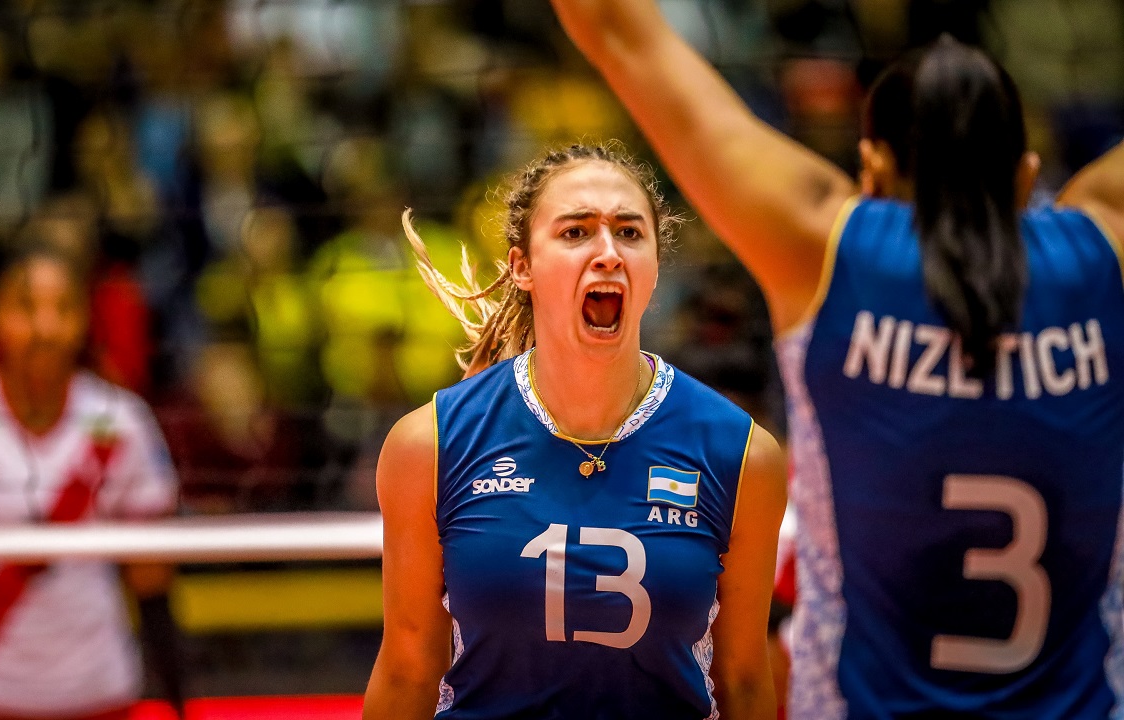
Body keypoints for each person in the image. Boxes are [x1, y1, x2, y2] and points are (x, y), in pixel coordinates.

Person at [549, 2, 1124, 717]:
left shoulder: (822, 249)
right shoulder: (1104, 254)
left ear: (873, 167)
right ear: (1025, 176)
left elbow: (616, 28)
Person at [363, 143, 787, 719]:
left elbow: (743, 678)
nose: (608, 252)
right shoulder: (430, 445)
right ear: (522, 267)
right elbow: (407, 670)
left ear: (654, 268)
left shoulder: (741, 454)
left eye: (629, 233)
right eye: (575, 232)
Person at [0, 245, 185, 720]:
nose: (45, 328)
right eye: (26, 308)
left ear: (84, 320)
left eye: (63, 308)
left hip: (97, 694)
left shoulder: (122, 421)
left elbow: (152, 579)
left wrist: (181, 703)